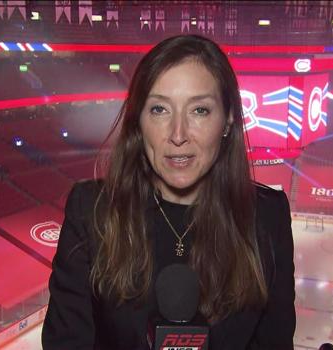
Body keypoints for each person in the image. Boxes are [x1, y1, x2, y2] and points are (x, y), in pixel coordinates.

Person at [42, 34, 295, 350]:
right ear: (138, 121)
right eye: (160, 109)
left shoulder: (268, 216)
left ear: (228, 120)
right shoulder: (90, 211)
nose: (178, 135)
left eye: (199, 110)